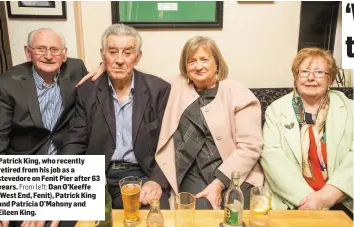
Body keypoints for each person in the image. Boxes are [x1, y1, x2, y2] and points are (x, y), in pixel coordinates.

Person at [60, 24, 171, 209]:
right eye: (113, 52)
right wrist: (62, 184)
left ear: (138, 57)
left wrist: (156, 181)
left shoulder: (159, 89)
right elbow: (75, 142)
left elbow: (169, 143)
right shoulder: (87, 91)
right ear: (103, 55)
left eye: (127, 53)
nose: (119, 60)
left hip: (142, 174)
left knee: (156, 218)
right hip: (97, 174)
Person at [154, 36, 264, 209]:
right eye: (192, 61)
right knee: (199, 212)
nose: (198, 66)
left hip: (234, 169)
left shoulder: (237, 92)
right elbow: (140, 81)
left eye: (204, 60)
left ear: (217, 63)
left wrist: (219, 183)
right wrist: (103, 67)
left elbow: (250, 146)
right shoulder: (178, 86)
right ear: (185, 67)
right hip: (192, 171)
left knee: (237, 212)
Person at [0, 28, 87, 227]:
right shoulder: (5, 85)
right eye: (41, 49)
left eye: (55, 49)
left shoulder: (76, 69)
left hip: (64, 166)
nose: (49, 56)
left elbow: (102, 79)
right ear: (28, 52)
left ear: (64, 53)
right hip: (22, 172)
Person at [260, 47, 353, 217]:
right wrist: (310, 200)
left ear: (330, 79)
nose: (310, 78)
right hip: (293, 201)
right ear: (295, 77)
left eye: (319, 72)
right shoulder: (276, 109)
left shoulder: (349, 108)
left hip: (341, 197)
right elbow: (272, 158)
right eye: (304, 72)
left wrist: (327, 196)